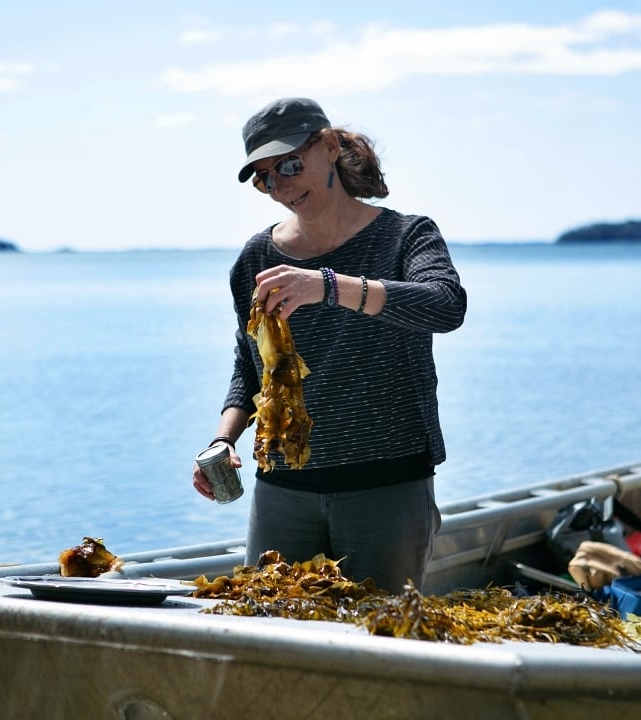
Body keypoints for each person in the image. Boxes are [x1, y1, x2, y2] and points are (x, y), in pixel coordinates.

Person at [191, 97, 467, 594]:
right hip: (282, 490)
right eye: (265, 177)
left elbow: (446, 306)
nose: (281, 187)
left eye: (291, 165)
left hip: (386, 485)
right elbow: (251, 366)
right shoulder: (257, 256)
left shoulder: (406, 236)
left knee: (379, 642)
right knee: (270, 637)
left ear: (330, 146)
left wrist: (329, 285)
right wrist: (222, 440)